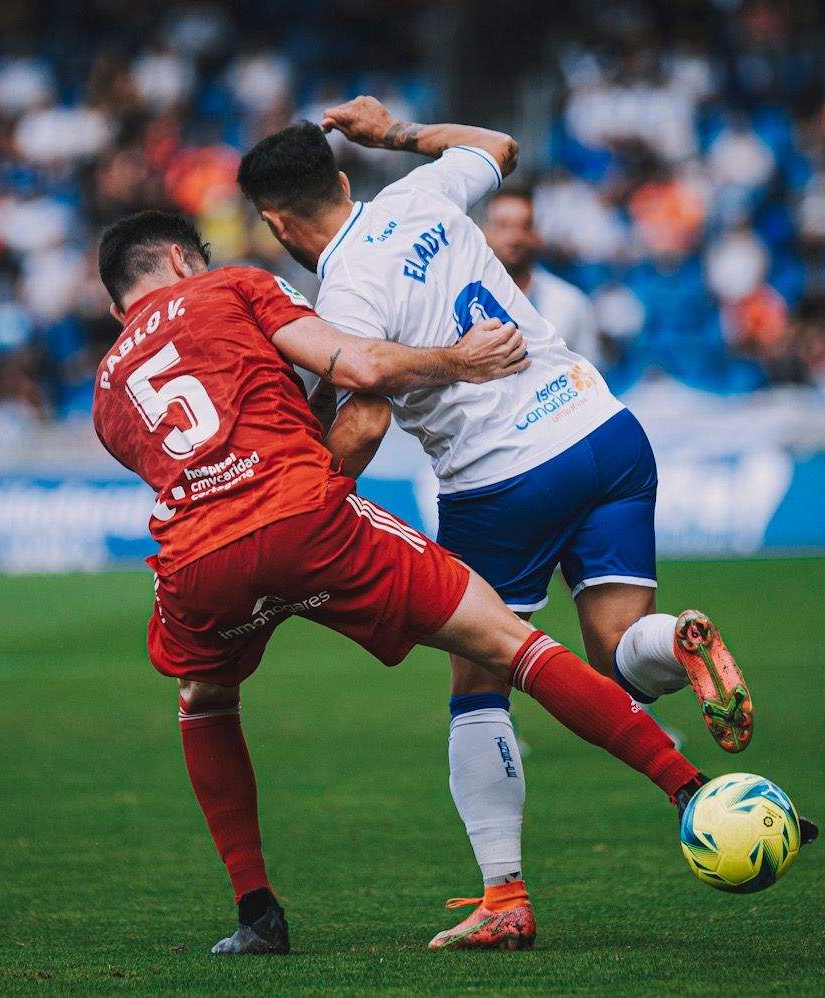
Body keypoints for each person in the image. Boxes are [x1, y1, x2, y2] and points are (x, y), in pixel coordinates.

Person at [90, 209, 719, 955]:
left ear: (114, 307)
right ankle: (689, 788)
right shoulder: (233, 286)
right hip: (308, 519)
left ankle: (256, 911)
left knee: (203, 698)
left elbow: (196, 465)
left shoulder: (105, 389)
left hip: (198, 562)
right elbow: (356, 369)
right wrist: (460, 361)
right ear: (179, 259)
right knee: (501, 644)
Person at [236, 99, 760, 949]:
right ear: (340, 178)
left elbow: (365, 422)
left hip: (501, 482)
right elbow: (499, 143)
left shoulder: (345, 292)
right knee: (616, 654)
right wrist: (397, 134)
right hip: (604, 433)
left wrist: (303, 506)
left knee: (480, 687)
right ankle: (678, 638)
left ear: (274, 223)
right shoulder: (419, 193)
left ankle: (504, 895)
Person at [482, 188, 603, 366]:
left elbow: (590, 377)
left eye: (525, 226)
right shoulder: (461, 301)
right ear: (484, 231)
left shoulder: (570, 303)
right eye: (503, 225)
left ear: (538, 234)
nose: (515, 238)